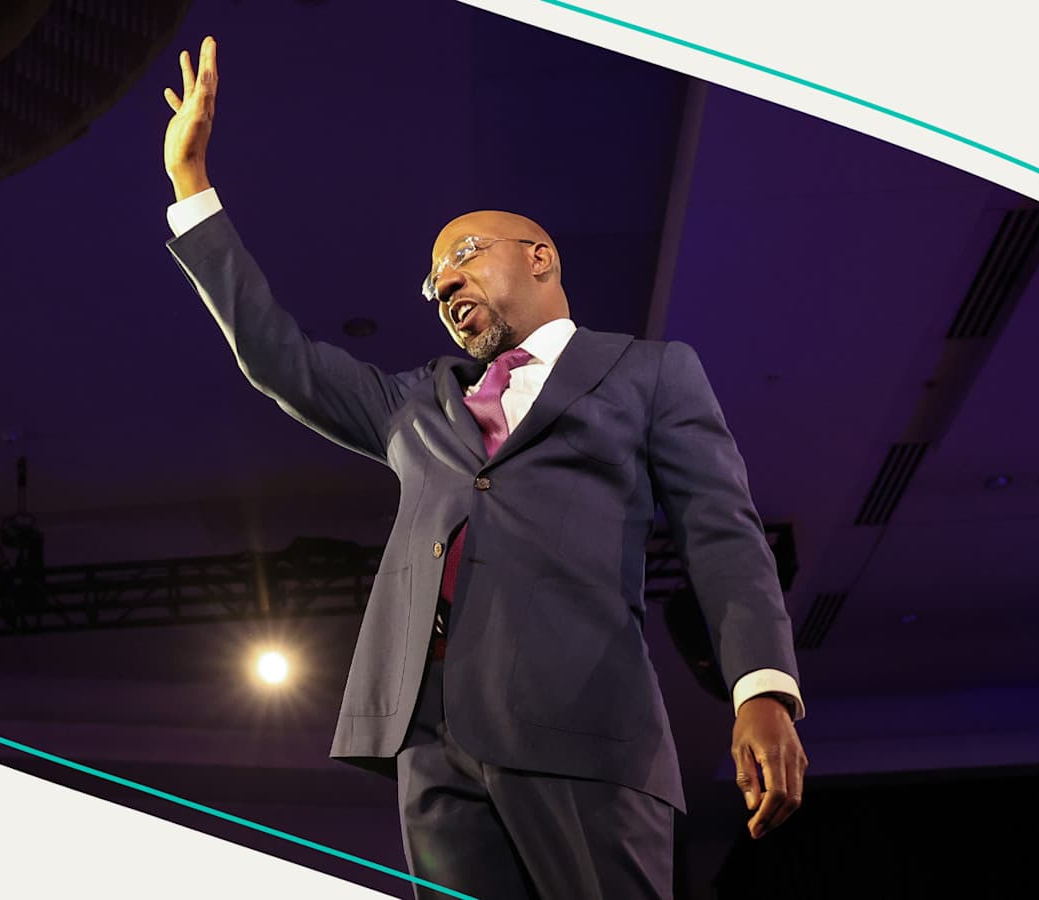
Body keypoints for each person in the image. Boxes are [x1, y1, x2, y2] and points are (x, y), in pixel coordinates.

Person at [160, 37, 807, 900]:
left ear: (539, 256)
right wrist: (192, 187)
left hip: (584, 731)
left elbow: (721, 535)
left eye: (463, 256)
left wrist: (761, 688)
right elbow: (279, 358)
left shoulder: (650, 372)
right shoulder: (413, 405)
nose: (445, 283)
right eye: (434, 282)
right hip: (428, 738)